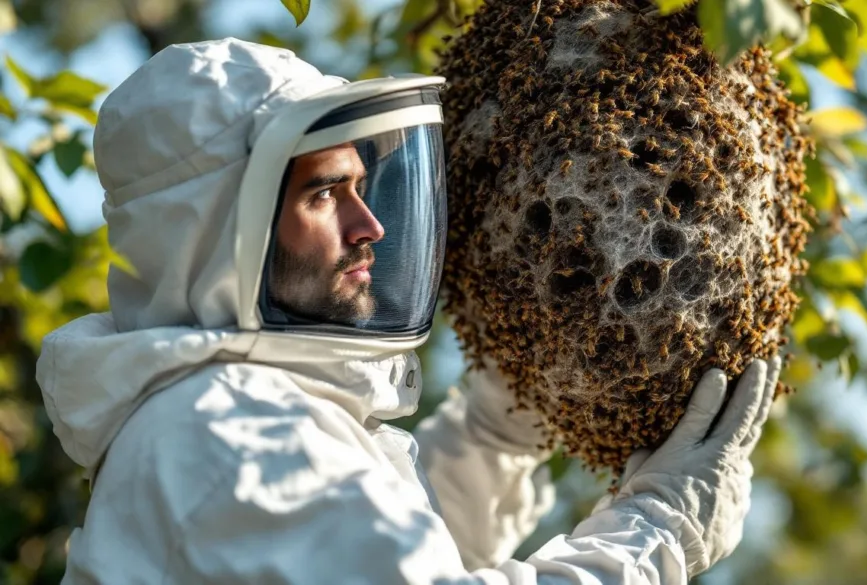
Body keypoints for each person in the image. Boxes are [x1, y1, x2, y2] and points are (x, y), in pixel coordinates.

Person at [36, 38, 782, 584]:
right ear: (215, 230)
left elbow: (394, 546)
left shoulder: (231, 421)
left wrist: (497, 433)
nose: (372, 226)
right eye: (324, 193)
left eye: (363, 186)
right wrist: (658, 530)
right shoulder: (216, 425)